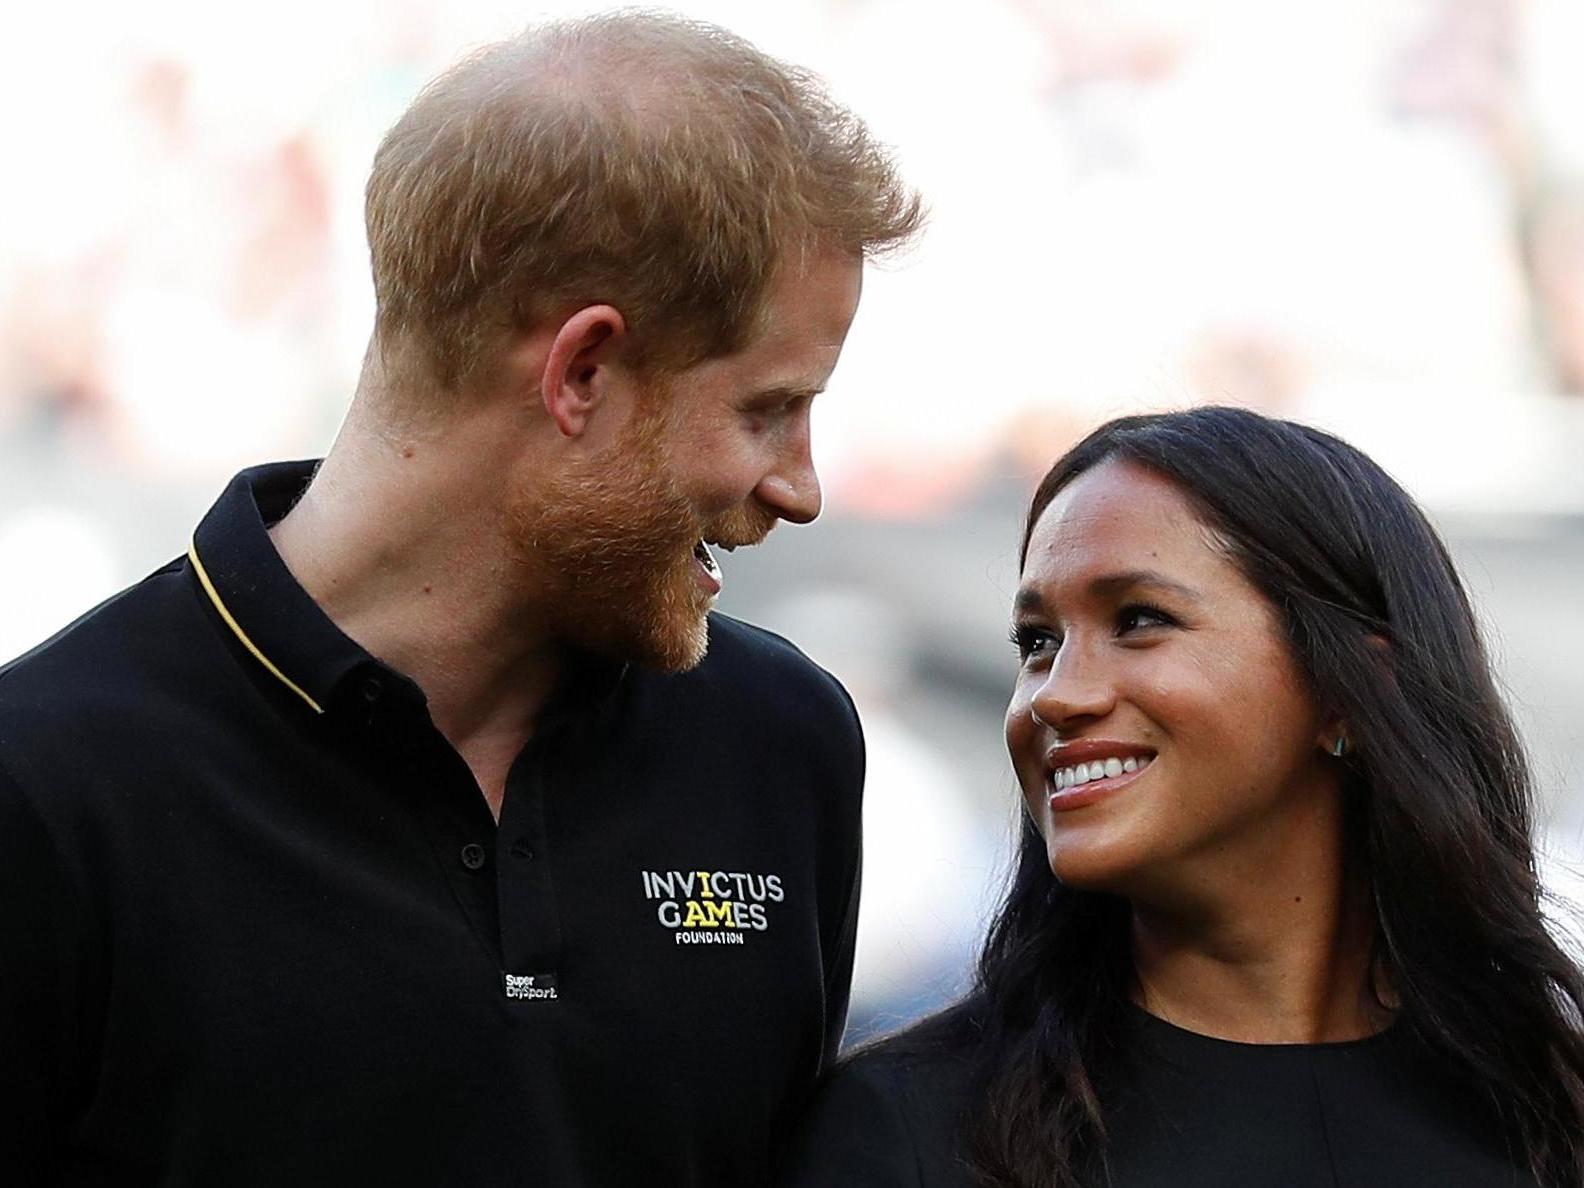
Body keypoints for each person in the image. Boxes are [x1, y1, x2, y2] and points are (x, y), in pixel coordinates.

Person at [0, 13, 921, 1186]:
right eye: (766, 409)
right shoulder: (45, 792)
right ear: (582, 372)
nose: (798, 487)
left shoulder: (781, 742)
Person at [781, 406, 1584, 1188]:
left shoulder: (1549, 1115)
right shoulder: (914, 1132)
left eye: (1138, 619)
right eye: (1037, 642)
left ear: (1353, 689)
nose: (1055, 697)